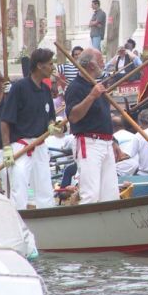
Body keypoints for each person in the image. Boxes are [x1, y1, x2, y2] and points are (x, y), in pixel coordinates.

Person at [1, 48, 59, 210]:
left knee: (45, 185)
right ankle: (18, 219)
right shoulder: (19, 88)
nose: (52, 67)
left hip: (40, 145)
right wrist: (7, 148)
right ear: (40, 66)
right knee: (19, 186)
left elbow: (50, 116)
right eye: (50, 64)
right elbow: (5, 120)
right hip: (21, 145)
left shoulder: (45, 89)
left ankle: (48, 218)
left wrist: (51, 125)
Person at [65, 47, 119, 204]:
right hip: (89, 143)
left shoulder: (96, 86)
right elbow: (73, 117)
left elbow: (103, 118)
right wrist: (92, 96)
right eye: (101, 61)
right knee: (91, 194)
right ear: (91, 66)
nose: (103, 64)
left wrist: (113, 140)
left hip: (106, 142)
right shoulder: (75, 87)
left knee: (111, 195)